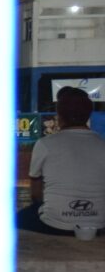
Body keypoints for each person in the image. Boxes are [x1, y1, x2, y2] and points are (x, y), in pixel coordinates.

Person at [17, 87, 105, 236]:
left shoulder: (45, 144)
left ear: (59, 116)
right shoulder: (102, 145)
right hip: (98, 224)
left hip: (54, 224)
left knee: (16, 221)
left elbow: (36, 191)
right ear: (88, 115)